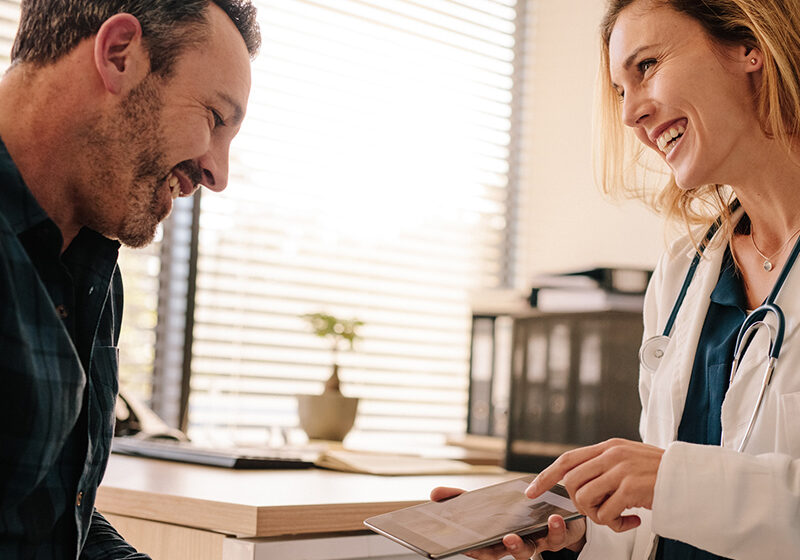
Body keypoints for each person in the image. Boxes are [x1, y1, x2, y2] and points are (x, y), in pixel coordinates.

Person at [433, 0, 800, 558]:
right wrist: (578, 530)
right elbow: (667, 512)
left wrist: (668, 480)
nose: (629, 115)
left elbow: (680, 482)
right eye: (620, 91)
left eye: (646, 66)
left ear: (749, 45)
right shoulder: (683, 275)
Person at [0, 1, 259, 557]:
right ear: (119, 54)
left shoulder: (91, 266)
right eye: (215, 117)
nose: (218, 174)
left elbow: (51, 521)